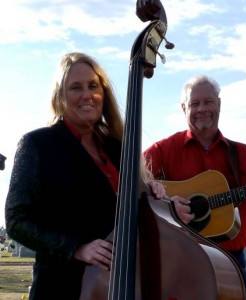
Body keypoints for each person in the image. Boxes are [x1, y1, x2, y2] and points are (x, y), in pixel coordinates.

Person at [5, 52, 165, 300]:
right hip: (61, 286)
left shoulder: (117, 147)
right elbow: (16, 221)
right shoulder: (37, 144)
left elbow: (129, 215)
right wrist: (76, 248)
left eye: (93, 86)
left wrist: (154, 197)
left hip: (119, 285)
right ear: (60, 96)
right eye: (75, 88)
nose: (87, 95)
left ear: (104, 93)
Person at [143, 74, 246, 278]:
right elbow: (129, 181)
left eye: (208, 102)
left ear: (219, 104)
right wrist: (166, 205)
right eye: (194, 103)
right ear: (184, 108)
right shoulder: (162, 150)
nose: (202, 109)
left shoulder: (244, 155)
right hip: (179, 258)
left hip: (230, 260)